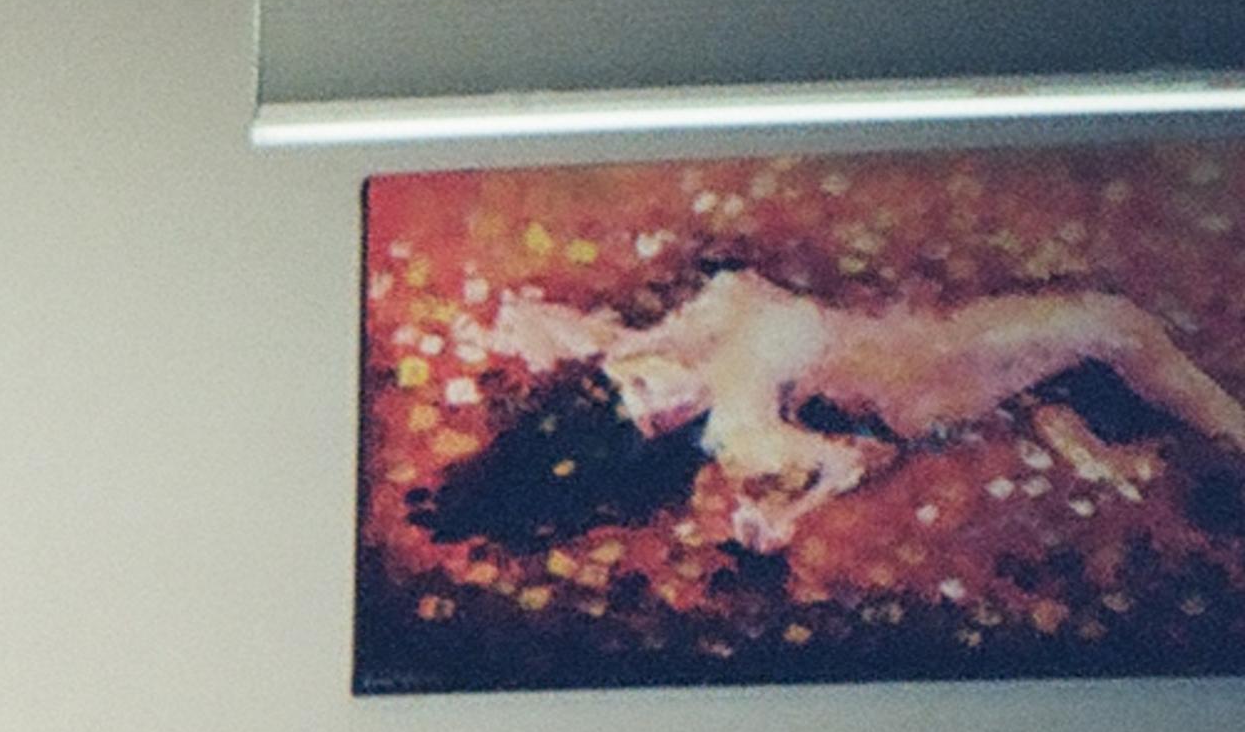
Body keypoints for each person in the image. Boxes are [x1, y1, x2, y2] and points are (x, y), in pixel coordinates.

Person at [459, 268, 1245, 552]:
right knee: (1111, 325)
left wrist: (513, 329)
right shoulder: (740, 428)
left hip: (917, 327)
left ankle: (1075, 426)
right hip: (932, 377)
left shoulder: (646, 342)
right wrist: (787, 509)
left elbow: (541, 327)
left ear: (614, 368)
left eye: (636, 389)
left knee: (1097, 330)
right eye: (653, 424)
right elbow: (853, 459)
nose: (661, 402)